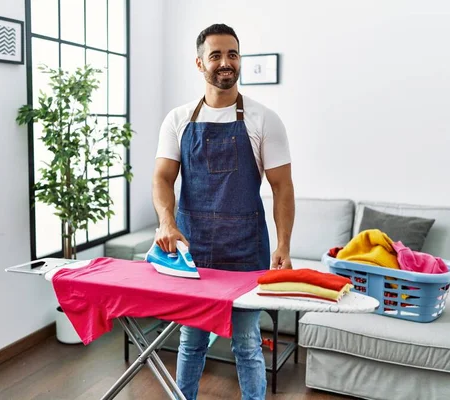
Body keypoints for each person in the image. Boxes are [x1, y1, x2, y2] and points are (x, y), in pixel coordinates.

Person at [151, 23, 295, 400]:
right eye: (216, 55)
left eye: (232, 54)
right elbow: (162, 180)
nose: (225, 62)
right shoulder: (178, 119)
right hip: (192, 246)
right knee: (192, 338)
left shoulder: (264, 119)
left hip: (246, 247)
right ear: (200, 63)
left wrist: (284, 245)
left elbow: (282, 187)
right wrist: (167, 222)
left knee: (246, 341)